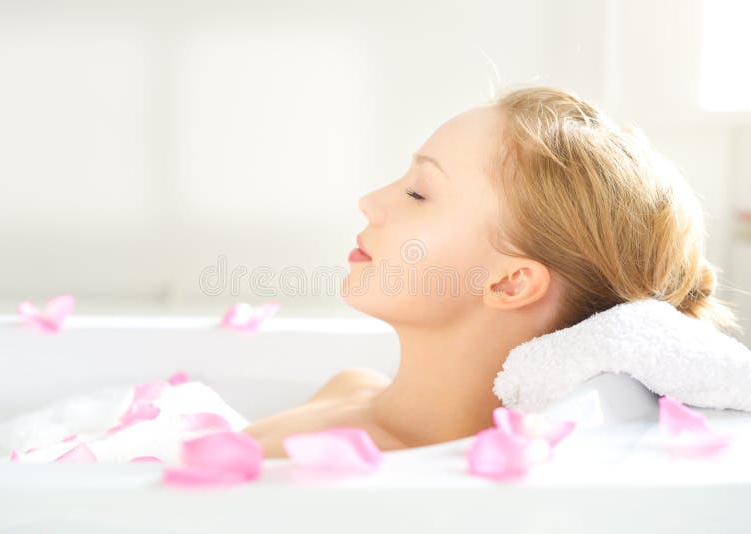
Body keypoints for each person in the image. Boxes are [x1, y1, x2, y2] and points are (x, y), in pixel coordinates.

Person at [240, 85, 742, 458]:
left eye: (419, 193)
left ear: (509, 282)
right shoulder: (348, 387)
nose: (370, 203)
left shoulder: (383, 470)